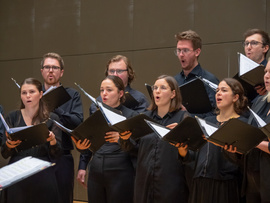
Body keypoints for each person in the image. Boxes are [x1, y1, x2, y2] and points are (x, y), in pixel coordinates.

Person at [176, 78, 248, 203]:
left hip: (225, 184)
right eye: (217, 90)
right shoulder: (208, 121)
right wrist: (183, 151)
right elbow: (196, 154)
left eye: (224, 90)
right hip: (200, 182)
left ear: (235, 97)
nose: (218, 93)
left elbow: (243, 160)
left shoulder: (241, 123)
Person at [119, 75, 189, 203]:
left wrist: (180, 137)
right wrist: (125, 139)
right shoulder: (143, 118)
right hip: (144, 182)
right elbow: (133, 149)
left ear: (173, 93)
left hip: (171, 184)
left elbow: (189, 155)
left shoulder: (182, 118)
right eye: (155, 87)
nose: (157, 91)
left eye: (162, 88)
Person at [1, 78, 62, 203]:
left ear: (40, 94)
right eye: (24, 93)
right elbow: (4, 153)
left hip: (42, 172)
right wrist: (9, 144)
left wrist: (52, 140)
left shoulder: (51, 118)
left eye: (32, 92)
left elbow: (57, 155)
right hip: (17, 172)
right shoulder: (12, 117)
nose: (27, 96)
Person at [78, 75, 138, 203]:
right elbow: (89, 145)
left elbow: (138, 149)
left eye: (109, 90)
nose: (104, 94)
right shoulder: (96, 114)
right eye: (101, 90)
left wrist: (121, 139)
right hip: (96, 171)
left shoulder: (131, 116)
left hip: (121, 172)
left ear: (120, 93)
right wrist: (81, 147)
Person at [40, 52, 84, 203]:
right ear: (42, 71)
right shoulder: (34, 94)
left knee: (63, 198)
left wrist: (55, 106)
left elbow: (78, 122)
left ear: (61, 72)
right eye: (47, 67)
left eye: (54, 67)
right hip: (38, 154)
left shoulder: (72, 95)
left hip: (62, 156)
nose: (50, 70)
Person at [174, 30, 219, 118]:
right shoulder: (174, 81)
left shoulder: (209, 80)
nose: (181, 55)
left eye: (185, 50)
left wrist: (189, 116)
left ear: (197, 52)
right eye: (178, 50)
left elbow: (216, 114)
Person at [240, 29, 270, 103]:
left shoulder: (268, 74)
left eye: (254, 43)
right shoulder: (242, 72)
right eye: (246, 43)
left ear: (265, 48)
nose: (248, 47)